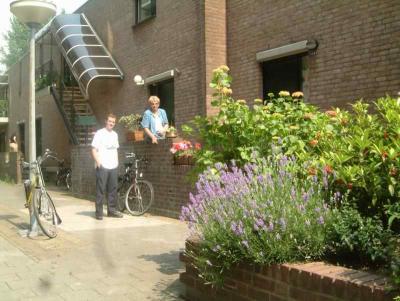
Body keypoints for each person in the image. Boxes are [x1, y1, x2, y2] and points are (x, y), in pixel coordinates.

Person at [91, 113, 123, 220]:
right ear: (106, 121)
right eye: (110, 121)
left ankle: (112, 211)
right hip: (103, 165)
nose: (111, 123)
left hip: (113, 165)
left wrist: (117, 162)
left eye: (113, 122)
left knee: (113, 189)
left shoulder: (115, 135)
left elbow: (116, 149)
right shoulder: (99, 133)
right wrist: (98, 162)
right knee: (101, 189)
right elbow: (93, 149)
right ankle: (99, 213)